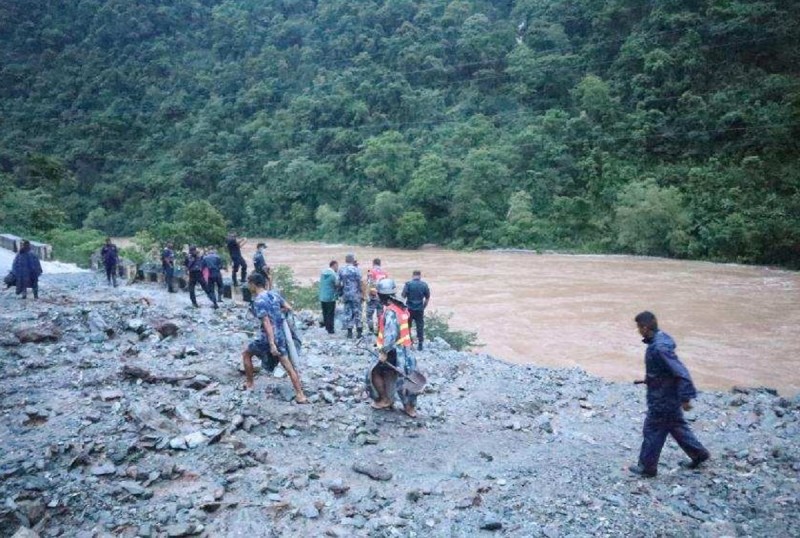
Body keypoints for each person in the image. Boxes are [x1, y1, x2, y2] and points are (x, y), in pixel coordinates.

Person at [629, 311, 710, 478]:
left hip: (662, 399)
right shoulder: (661, 340)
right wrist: (650, 379)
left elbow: (681, 372)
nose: (638, 331)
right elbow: (665, 371)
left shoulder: (658, 348)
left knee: (652, 429)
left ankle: (647, 467)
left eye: (638, 328)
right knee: (677, 427)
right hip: (667, 396)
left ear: (645, 328)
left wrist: (686, 397)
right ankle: (699, 454)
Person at [241, 273, 308, 403]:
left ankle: (249, 383)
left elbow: (266, 322)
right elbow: (288, 307)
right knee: (288, 365)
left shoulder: (258, 301)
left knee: (246, 354)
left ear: (254, 284)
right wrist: (277, 314)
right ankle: (300, 395)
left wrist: (271, 343)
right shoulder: (274, 295)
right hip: (281, 335)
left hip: (268, 337)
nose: (248, 286)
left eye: (249, 284)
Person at [366, 278, 418, 417]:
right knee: (401, 376)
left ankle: (385, 399)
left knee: (374, 372)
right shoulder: (400, 306)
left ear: (381, 295)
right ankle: (409, 407)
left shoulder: (390, 311)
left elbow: (390, 334)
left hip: (395, 350)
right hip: (405, 348)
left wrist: (383, 351)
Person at [402, 270, 431, 351]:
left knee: (408, 326)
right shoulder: (424, 285)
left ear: (413, 275)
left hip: (409, 309)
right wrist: (424, 306)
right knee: (420, 326)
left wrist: (403, 308)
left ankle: (409, 343)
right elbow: (427, 297)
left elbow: (403, 296)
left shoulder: (408, 284)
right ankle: (420, 344)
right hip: (419, 309)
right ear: (420, 276)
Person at [337, 253, 364, 339]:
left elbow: (338, 283)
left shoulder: (341, 270)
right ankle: (359, 332)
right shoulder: (356, 270)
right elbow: (360, 282)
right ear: (353, 260)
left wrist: (340, 292)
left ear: (346, 260)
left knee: (348, 312)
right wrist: (362, 293)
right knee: (357, 312)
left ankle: (349, 332)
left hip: (346, 294)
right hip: (356, 294)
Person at [365, 258, 389, 334]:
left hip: (373, 296)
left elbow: (369, 284)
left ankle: (371, 330)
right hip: (381, 297)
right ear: (380, 263)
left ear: (373, 263)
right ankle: (379, 330)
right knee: (380, 315)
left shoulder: (371, 272)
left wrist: (367, 296)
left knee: (369, 315)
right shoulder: (384, 273)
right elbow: (387, 285)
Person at [319, 260, 339, 335]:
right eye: (337, 266)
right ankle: (331, 329)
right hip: (330, 297)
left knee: (325, 312)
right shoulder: (333, 274)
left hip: (322, 296)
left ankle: (327, 327)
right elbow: (337, 284)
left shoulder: (323, 272)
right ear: (334, 265)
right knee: (330, 313)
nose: (337, 268)